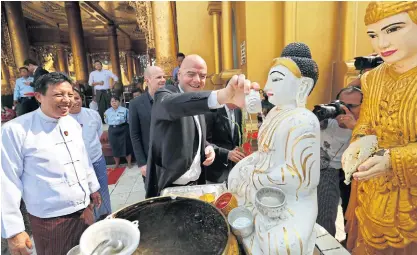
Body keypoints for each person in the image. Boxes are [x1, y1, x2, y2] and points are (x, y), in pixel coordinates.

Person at [344, 2, 417, 254]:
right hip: (371, 191)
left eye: (393, 29)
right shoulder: (372, 78)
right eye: (373, 35)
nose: (381, 44)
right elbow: (367, 122)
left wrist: (393, 160)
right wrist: (360, 141)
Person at [1, 72, 101, 255]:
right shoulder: (16, 130)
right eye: (59, 95)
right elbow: (6, 180)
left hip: (84, 210)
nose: (67, 100)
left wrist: (93, 187)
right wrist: (14, 230)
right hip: (51, 221)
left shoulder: (70, 122)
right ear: (39, 96)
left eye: (70, 95)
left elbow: (83, 159)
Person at [145, 54, 259, 198]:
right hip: (169, 185)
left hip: (197, 183)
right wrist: (222, 96)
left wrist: (207, 147)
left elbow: (196, 134)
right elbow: (172, 105)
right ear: (179, 74)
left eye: (203, 76)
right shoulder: (164, 95)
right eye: (191, 74)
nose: (197, 80)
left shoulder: (200, 106)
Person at [316, 86, 362, 237]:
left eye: (351, 106)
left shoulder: (365, 125)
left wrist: (354, 127)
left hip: (353, 173)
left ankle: (349, 244)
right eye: (341, 104)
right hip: (327, 170)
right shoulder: (328, 119)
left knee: (352, 214)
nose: (344, 110)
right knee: (325, 214)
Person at [70, 88, 111, 220]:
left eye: (77, 98)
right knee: (83, 194)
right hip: (75, 165)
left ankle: (106, 217)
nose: (74, 102)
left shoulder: (93, 114)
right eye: (71, 98)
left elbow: (99, 133)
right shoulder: (61, 120)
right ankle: (89, 222)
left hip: (96, 160)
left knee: (102, 190)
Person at [129, 66, 165, 181]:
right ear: (147, 80)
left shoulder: (170, 99)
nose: (163, 80)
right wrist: (142, 163)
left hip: (171, 158)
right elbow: (135, 135)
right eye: (158, 77)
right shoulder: (136, 104)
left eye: (164, 76)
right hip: (150, 158)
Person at [205, 102, 244, 184]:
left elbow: (235, 137)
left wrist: (238, 148)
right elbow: (205, 141)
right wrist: (226, 154)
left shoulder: (238, 111)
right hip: (215, 171)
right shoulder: (212, 111)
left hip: (233, 171)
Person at [104, 96, 133, 169]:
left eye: (115, 101)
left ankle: (129, 163)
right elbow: (106, 121)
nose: (114, 102)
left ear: (119, 102)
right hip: (113, 130)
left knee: (126, 146)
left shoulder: (125, 110)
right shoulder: (107, 112)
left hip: (123, 129)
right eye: (112, 101)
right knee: (114, 147)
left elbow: (129, 120)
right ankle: (117, 163)